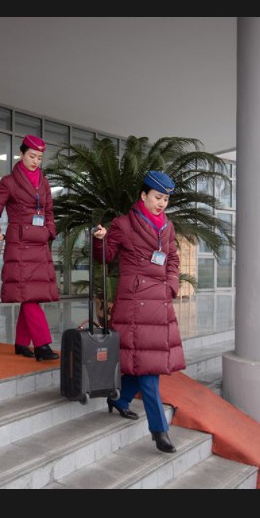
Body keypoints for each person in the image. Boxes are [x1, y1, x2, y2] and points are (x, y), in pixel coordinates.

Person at [91, 170, 185, 453]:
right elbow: (105, 257)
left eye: (166, 199)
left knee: (144, 362)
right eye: (157, 197)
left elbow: (172, 259)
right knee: (149, 368)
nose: (162, 203)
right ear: (143, 195)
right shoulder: (122, 224)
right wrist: (99, 240)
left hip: (160, 302)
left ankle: (118, 399)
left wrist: (171, 285)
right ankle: (159, 431)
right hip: (135, 304)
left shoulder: (167, 227)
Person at [0, 135, 60, 361]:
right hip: (19, 245)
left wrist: (50, 231)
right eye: (32, 156)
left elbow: (48, 211)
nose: (36, 161)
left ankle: (20, 343)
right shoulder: (8, 182)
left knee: (31, 295)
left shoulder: (44, 183)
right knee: (29, 295)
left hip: (39, 244)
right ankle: (43, 346)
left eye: (39, 158)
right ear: (21, 154)